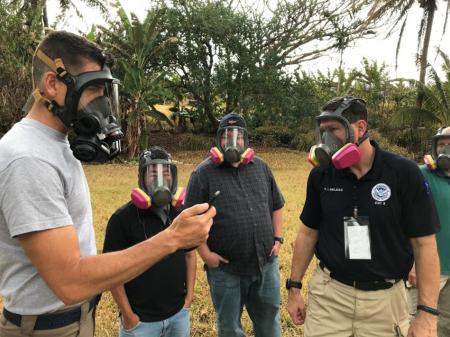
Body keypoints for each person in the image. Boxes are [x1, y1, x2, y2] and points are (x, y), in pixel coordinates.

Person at [0, 31, 215, 337]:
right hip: (48, 329)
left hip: (71, 321)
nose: (103, 106)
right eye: (94, 90)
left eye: (106, 93)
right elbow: (71, 282)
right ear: (52, 84)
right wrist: (172, 239)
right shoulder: (28, 158)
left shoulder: (57, 145)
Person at [287, 96, 441, 337]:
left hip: (385, 302)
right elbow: (308, 232)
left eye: (334, 129)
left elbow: (425, 244)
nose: (327, 139)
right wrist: (294, 287)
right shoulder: (321, 175)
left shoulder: (403, 173)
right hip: (330, 297)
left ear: (360, 128)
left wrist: (427, 313)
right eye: (323, 130)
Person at [184, 112, 285, 337]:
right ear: (219, 140)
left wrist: (278, 239)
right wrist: (206, 255)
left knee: (269, 323)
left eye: (238, 136)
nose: (233, 140)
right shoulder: (203, 173)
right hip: (225, 271)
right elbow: (189, 221)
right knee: (229, 328)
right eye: (227, 135)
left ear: (245, 140)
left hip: (265, 264)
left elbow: (277, 205)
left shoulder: (261, 167)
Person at [103, 146, 195, 337]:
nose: (161, 178)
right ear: (141, 178)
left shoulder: (181, 213)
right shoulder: (122, 219)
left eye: (166, 172)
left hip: (179, 314)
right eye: (154, 173)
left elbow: (190, 254)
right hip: (140, 322)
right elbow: (111, 272)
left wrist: (188, 299)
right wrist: (128, 315)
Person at [407, 127, 450, 337]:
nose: (445, 149)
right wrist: (413, 262)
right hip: (425, 268)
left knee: (444, 328)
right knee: (415, 325)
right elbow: (404, 220)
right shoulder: (420, 175)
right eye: (442, 144)